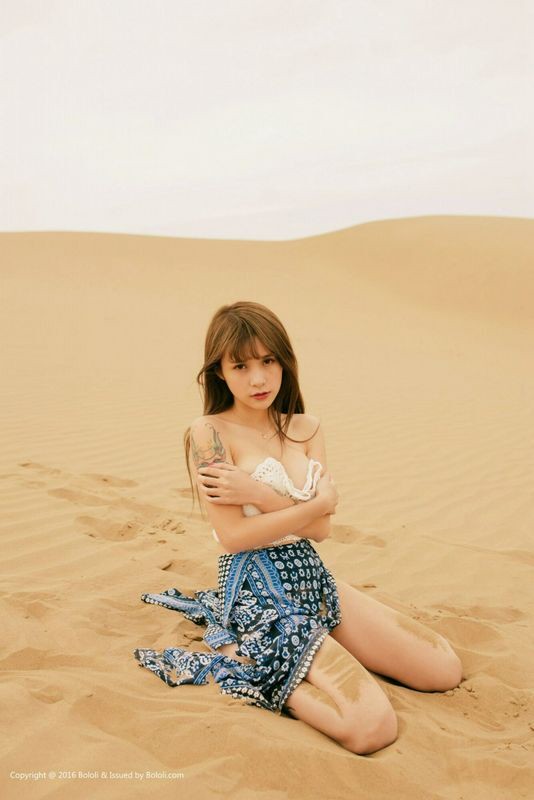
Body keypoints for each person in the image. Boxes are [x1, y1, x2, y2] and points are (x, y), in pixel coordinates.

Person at [133, 300, 463, 755]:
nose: (259, 378)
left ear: (284, 362)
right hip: (256, 587)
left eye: (269, 361)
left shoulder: (306, 428)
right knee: (372, 727)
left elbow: (321, 530)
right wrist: (314, 506)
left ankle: (306, 647)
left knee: (443, 670)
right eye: (241, 365)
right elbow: (234, 536)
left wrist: (262, 494)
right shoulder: (209, 434)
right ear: (219, 373)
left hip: (312, 576)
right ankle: (249, 664)